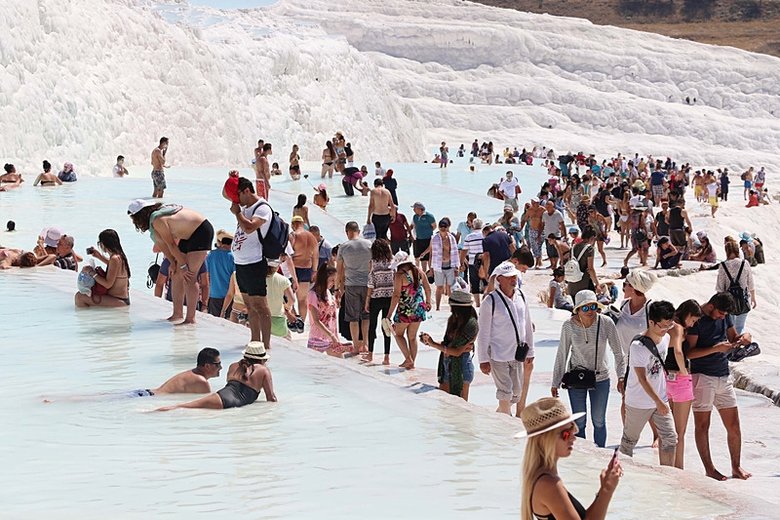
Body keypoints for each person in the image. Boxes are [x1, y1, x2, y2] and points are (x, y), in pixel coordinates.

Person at [518, 397, 622, 520]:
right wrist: (606, 491)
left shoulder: (543, 478)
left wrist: (605, 489)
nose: (573, 437)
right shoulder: (548, 484)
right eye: (566, 433)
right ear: (545, 439)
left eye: (573, 430)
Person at [687, 292, 752, 481]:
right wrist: (715, 349)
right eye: (721, 313)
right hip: (702, 377)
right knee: (702, 425)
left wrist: (744, 337)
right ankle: (709, 469)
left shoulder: (725, 315)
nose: (723, 317)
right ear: (711, 306)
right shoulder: (697, 318)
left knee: (734, 425)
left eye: (725, 315)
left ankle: (736, 467)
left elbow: (733, 337)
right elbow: (689, 353)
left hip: (724, 376)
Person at [551, 290, 625, 447]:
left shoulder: (606, 323)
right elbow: (561, 354)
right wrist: (555, 381)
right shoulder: (569, 326)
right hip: (576, 378)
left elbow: (618, 352)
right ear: (577, 309)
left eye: (593, 306)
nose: (590, 311)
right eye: (585, 308)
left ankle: (600, 454)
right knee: (579, 421)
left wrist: (621, 376)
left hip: (601, 378)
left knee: (598, 420)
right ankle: (582, 459)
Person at [128, 199, 214, 324]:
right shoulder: (154, 224)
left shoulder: (157, 220)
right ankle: (177, 313)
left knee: (189, 275)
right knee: (175, 274)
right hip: (187, 236)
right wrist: (173, 264)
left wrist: (183, 265)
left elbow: (171, 244)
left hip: (201, 231)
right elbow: (164, 248)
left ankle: (190, 318)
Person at [619, 301, 679, 466]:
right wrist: (658, 402)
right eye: (662, 326)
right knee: (629, 441)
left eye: (669, 325)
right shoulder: (638, 347)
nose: (666, 330)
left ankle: (667, 477)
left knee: (670, 438)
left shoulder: (665, 338)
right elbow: (642, 378)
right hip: (638, 401)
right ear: (651, 322)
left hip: (660, 398)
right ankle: (621, 475)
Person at [478, 261, 534, 416]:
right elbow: (483, 332)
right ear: (499, 279)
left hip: (518, 355)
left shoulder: (521, 296)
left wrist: (531, 351)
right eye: (509, 277)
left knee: (516, 394)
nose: (513, 279)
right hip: (498, 355)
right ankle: (506, 426)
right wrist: (483, 359)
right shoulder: (490, 301)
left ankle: (498, 416)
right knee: (505, 392)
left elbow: (527, 324)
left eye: (514, 276)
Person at [157, 342, 276, 410]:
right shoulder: (264, 370)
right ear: (261, 360)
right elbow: (271, 399)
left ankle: (150, 411)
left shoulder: (234, 366)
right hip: (226, 403)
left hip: (219, 396)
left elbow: (234, 388)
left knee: (180, 407)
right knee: (182, 407)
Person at [228, 177, 273, 347]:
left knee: (260, 305)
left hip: (255, 262)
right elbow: (226, 193)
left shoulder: (262, 208)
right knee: (249, 305)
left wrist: (237, 213)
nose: (236, 201)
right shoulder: (244, 206)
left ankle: (267, 344)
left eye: (238, 195)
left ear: (247, 191)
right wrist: (233, 177)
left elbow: (249, 227)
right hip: (241, 263)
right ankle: (255, 341)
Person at [664, 299, 703, 469]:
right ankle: (678, 468)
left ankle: (669, 465)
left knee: (670, 430)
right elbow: (678, 351)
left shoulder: (668, 326)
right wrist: (685, 371)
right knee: (680, 432)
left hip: (667, 379)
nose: (693, 324)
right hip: (680, 380)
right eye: (693, 320)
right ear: (687, 314)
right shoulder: (678, 328)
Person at [420, 290, 478, 401]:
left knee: (460, 408)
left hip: (461, 367)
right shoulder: (453, 320)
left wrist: (432, 343)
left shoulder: (471, 325)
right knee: (444, 406)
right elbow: (448, 345)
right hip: (447, 364)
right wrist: (429, 341)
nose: (451, 309)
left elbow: (456, 352)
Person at [387, 251, 431, 369]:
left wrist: (389, 314)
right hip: (419, 309)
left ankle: (408, 359)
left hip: (405, 309)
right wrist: (428, 302)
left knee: (398, 334)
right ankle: (412, 362)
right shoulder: (419, 272)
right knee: (412, 337)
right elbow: (427, 288)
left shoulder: (399, 275)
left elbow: (396, 295)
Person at [336, 221, 372, 354]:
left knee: (353, 317)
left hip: (351, 285)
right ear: (359, 231)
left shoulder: (344, 247)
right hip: (368, 284)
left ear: (347, 232)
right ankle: (366, 345)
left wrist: (337, 288)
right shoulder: (369, 244)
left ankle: (356, 346)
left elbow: (339, 271)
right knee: (366, 316)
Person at [129, 348, 222, 397]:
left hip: (145, 393)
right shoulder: (201, 381)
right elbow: (208, 404)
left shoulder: (193, 373)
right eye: (218, 364)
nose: (221, 367)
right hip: (148, 398)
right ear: (207, 366)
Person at [75, 229, 131, 307]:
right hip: (120, 298)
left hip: (118, 300)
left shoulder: (115, 259)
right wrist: (99, 256)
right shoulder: (119, 256)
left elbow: (107, 284)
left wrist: (91, 272)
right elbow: (113, 267)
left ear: (103, 244)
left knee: (79, 297)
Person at [308, 263, 354, 356]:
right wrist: (332, 336)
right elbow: (316, 320)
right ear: (324, 279)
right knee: (315, 368)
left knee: (340, 366)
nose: (333, 283)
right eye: (332, 280)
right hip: (317, 339)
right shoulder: (313, 294)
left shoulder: (328, 292)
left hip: (331, 338)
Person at [715, 240, 756, 334]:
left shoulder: (723, 265)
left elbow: (720, 287)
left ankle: (732, 346)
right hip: (744, 299)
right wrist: (753, 298)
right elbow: (750, 283)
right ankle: (740, 345)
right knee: (740, 327)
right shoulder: (744, 263)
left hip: (728, 301)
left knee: (730, 327)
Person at [365, 239, 394, 365]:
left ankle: (370, 354)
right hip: (389, 298)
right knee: (386, 326)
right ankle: (386, 357)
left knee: (372, 326)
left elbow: (371, 284)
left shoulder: (373, 263)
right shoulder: (392, 263)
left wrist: (367, 300)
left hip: (376, 298)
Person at [290, 216, 318, 323]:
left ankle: (292, 321)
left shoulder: (294, 235)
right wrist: (314, 271)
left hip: (294, 269)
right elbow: (315, 256)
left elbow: (288, 254)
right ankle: (301, 322)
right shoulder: (312, 237)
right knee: (302, 300)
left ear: (294, 224)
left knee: (290, 299)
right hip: (307, 270)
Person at [429, 218, 459, 310]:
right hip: (438, 266)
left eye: (444, 227)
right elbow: (431, 253)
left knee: (450, 287)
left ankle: (452, 307)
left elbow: (455, 252)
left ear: (447, 227)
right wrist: (430, 268)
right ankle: (437, 307)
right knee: (439, 287)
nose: (442, 228)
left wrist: (457, 266)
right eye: (441, 226)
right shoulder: (434, 238)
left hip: (450, 265)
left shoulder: (451, 238)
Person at [205, 230, 235, 318]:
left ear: (222, 243)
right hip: (229, 295)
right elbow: (235, 277)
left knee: (214, 322)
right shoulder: (233, 257)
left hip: (213, 294)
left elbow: (207, 275)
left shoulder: (210, 255)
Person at [565, 225, 600, 301]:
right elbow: (590, 269)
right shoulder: (589, 249)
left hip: (572, 284)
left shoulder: (573, 247)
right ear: (592, 238)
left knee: (576, 309)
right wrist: (597, 284)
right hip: (584, 284)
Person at [462, 218, 485, 307]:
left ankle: (478, 304)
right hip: (484, 262)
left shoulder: (469, 237)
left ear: (473, 226)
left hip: (472, 262)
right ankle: (484, 302)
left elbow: (464, 250)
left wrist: (461, 262)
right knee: (486, 282)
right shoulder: (484, 236)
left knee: (474, 283)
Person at [411, 202, 436, 273]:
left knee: (429, 257)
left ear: (419, 209)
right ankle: (423, 273)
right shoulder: (415, 216)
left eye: (414, 208)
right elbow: (413, 225)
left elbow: (434, 226)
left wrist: (427, 232)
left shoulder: (429, 216)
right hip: (419, 239)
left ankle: (431, 274)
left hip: (428, 239)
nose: (413, 210)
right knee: (422, 258)